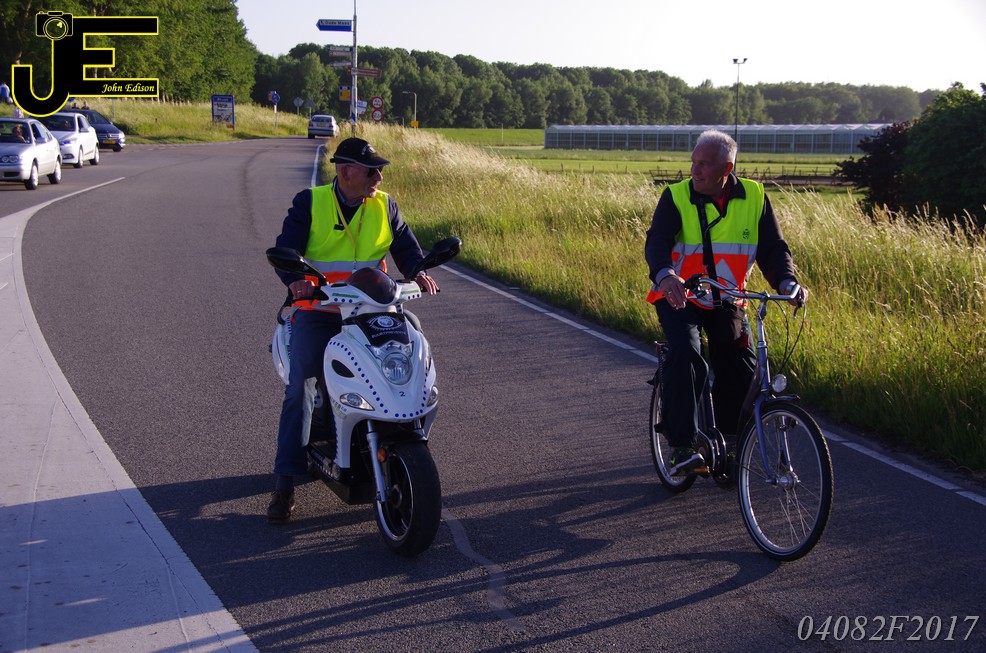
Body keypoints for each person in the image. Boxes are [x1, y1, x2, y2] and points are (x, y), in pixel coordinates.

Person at [267, 137, 439, 524]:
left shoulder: (384, 205)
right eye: (371, 171)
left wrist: (418, 271)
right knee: (302, 386)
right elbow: (286, 251)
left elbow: (406, 248)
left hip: (371, 311)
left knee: (409, 358)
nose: (379, 177)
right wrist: (295, 281)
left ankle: (400, 440)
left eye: (380, 171)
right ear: (345, 171)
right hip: (321, 310)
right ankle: (285, 482)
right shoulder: (310, 202)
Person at [644, 129, 807, 476]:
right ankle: (682, 447)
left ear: (726, 168)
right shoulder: (676, 196)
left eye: (704, 164)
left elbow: (773, 249)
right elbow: (657, 240)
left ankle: (731, 445)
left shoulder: (755, 197)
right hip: (680, 295)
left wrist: (787, 282)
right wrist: (665, 275)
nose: (694, 170)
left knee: (740, 367)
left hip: (729, 298)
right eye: (693, 162)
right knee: (687, 354)